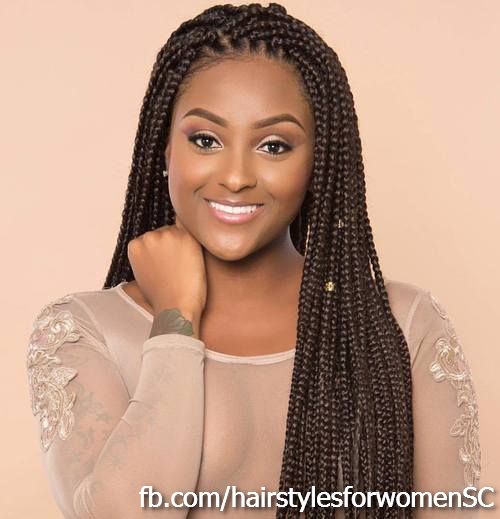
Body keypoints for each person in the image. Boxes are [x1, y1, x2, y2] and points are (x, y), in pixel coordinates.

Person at [25, 3, 481, 518]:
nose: (237, 176)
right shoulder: (83, 331)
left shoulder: (403, 326)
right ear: (164, 149)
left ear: (319, 161)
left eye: (274, 145)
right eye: (206, 140)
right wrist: (175, 320)